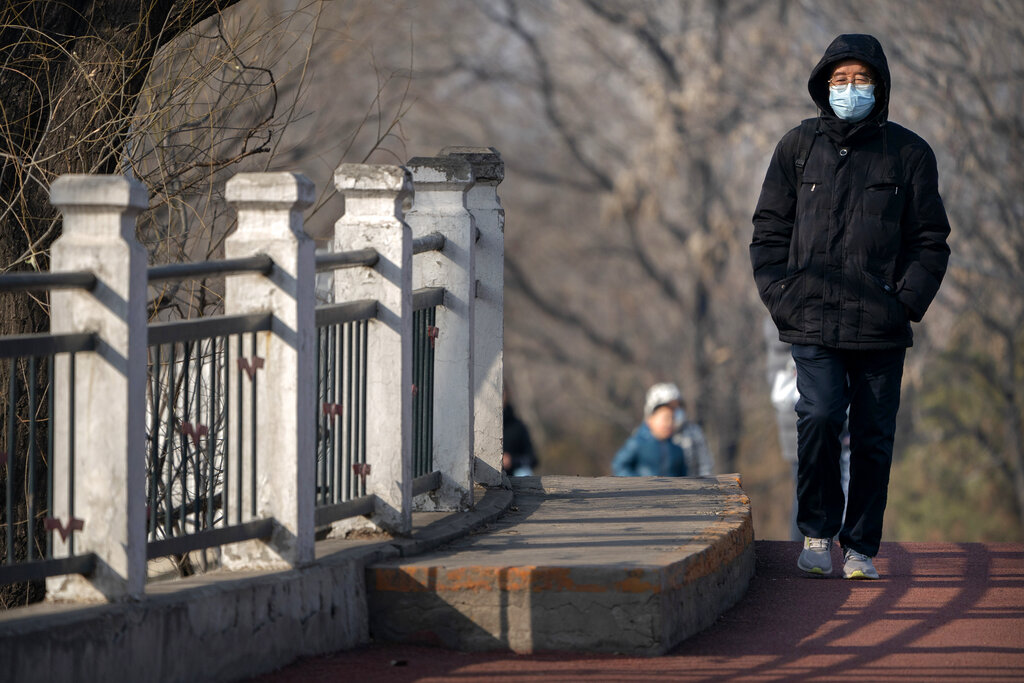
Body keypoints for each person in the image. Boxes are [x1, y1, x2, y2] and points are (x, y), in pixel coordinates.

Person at [750, 34, 951, 579]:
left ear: (880, 86)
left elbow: (931, 239)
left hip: (881, 326)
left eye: (860, 79)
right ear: (822, 85)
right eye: (839, 80)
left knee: (870, 437)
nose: (850, 89)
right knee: (817, 416)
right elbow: (768, 230)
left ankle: (860, 549)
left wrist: (904, 302)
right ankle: (816, 535)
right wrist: (780, 296)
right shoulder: (796, 147)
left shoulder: (910, 153)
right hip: (811, 318)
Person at [612, 383, 689, 477]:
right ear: (650, 420)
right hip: (642, 490)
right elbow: (619, 465)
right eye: (665, 418)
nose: (669, 423)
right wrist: (636, 483)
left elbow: (683, 474)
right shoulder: (638, 443)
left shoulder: (678, 448)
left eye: (672, 418)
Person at [502, 390, 538, 477]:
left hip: (514, 478)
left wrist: (512, 461)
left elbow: (532, 459)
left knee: (524, 473)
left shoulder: (518, 426)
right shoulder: (477, 426)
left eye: (502, 393)